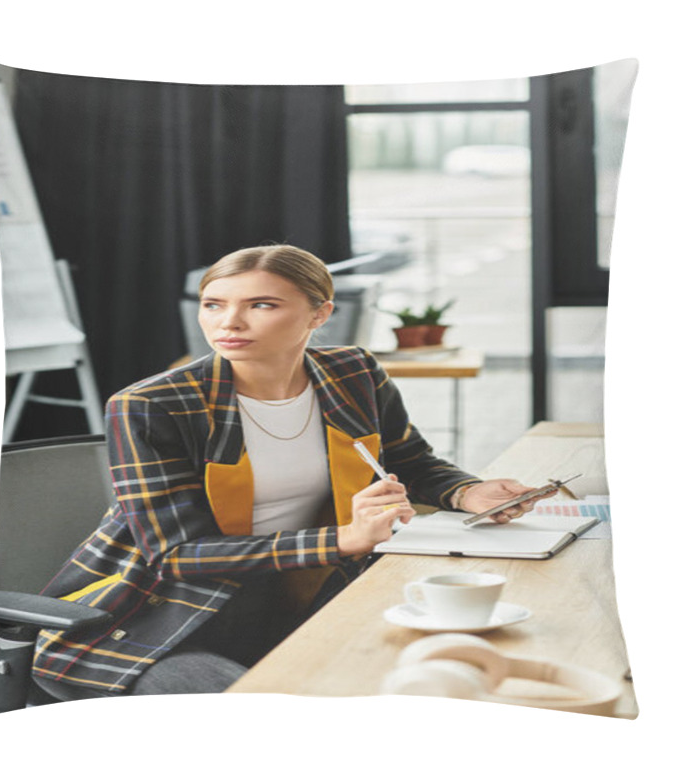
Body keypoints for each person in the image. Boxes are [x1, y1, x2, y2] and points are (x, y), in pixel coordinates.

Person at [33, 244, 547, 701]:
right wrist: (342, 539)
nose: (228, 323)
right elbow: (175, 556)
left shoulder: (352, 372)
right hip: (156, 623)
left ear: (319, 313)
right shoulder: (153, 404)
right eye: (214, 305)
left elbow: (407, 459)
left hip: (298, 600)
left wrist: (467, 491)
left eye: (261, 305)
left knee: (444, 674)